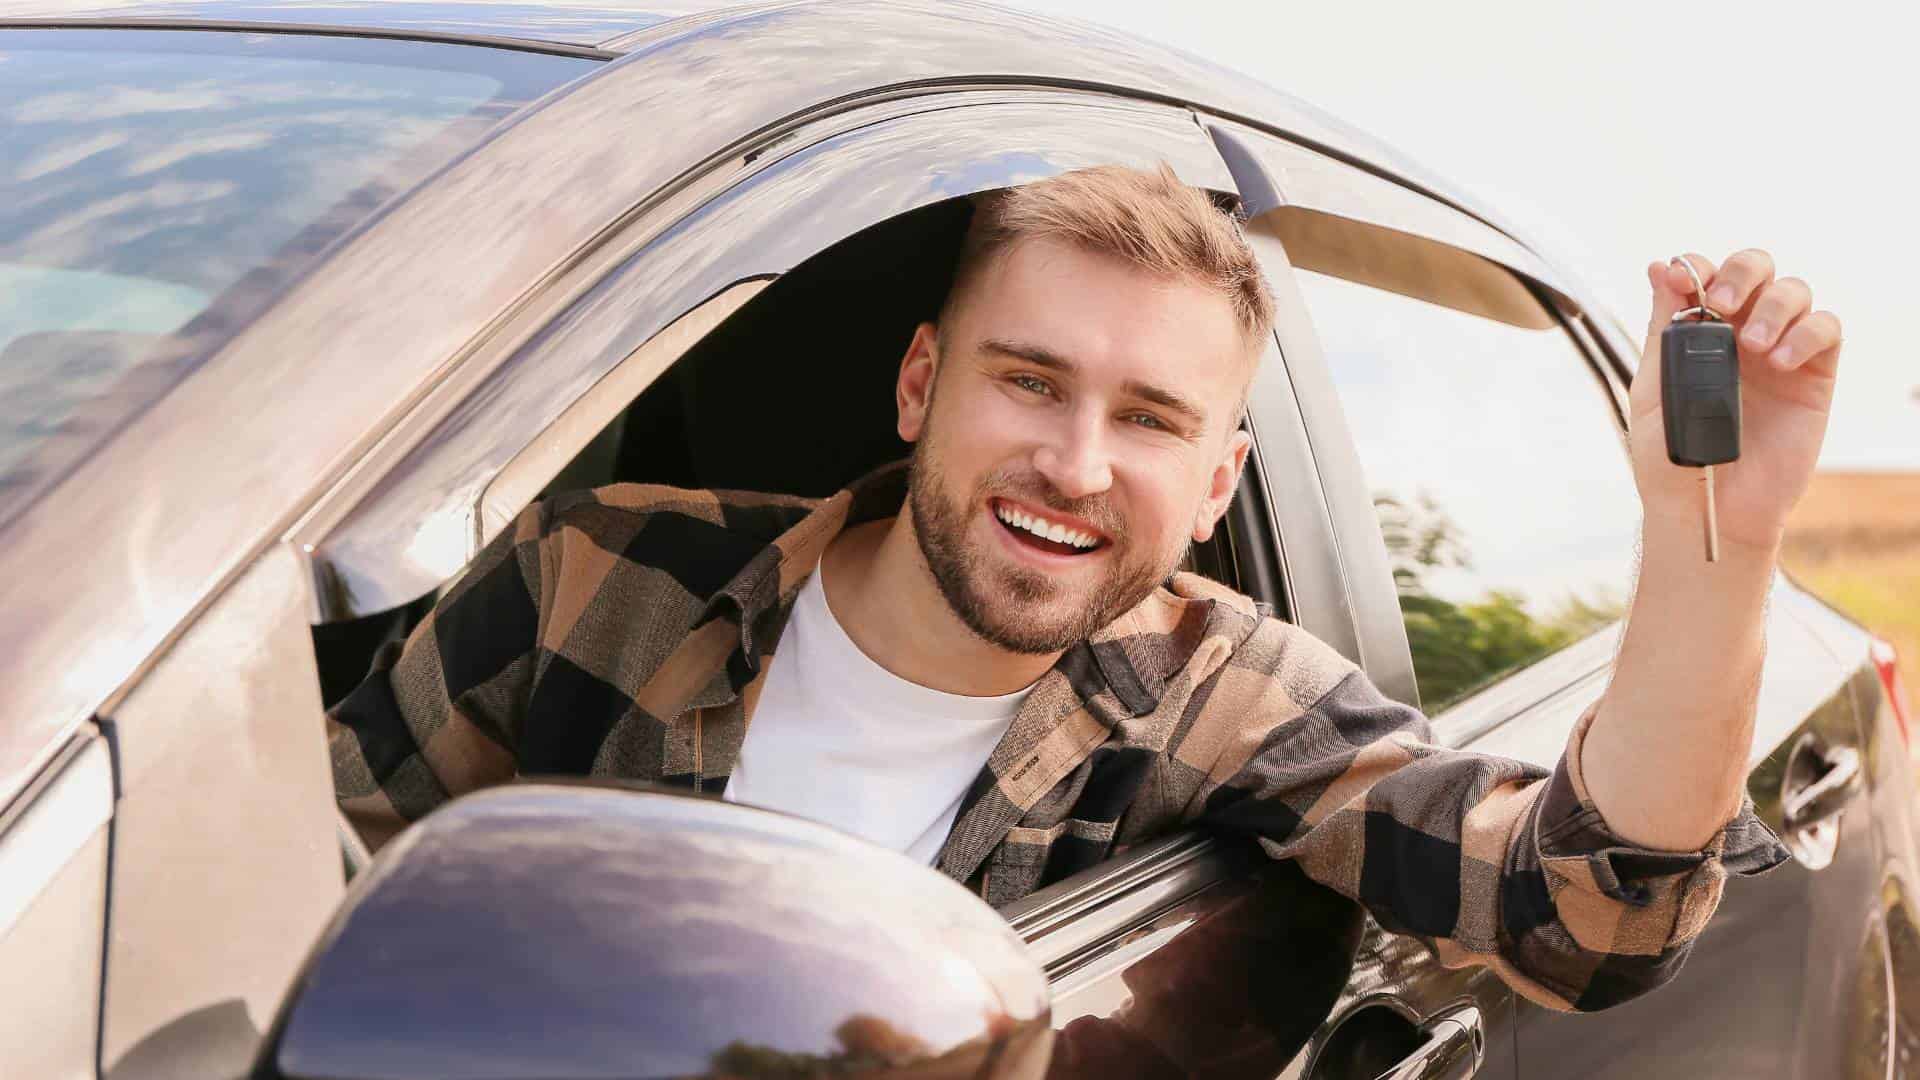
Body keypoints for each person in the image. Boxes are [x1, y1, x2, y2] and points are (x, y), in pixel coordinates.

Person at [328, 163, 1843, 1013]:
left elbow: (1586, 919)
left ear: (1219, 483)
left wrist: (1721, 536)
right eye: (1029, 381)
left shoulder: (1228, 695)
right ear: (922, 383)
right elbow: (298, 887)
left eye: (1151, 419)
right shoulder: (593, 572)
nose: (1074, 461)